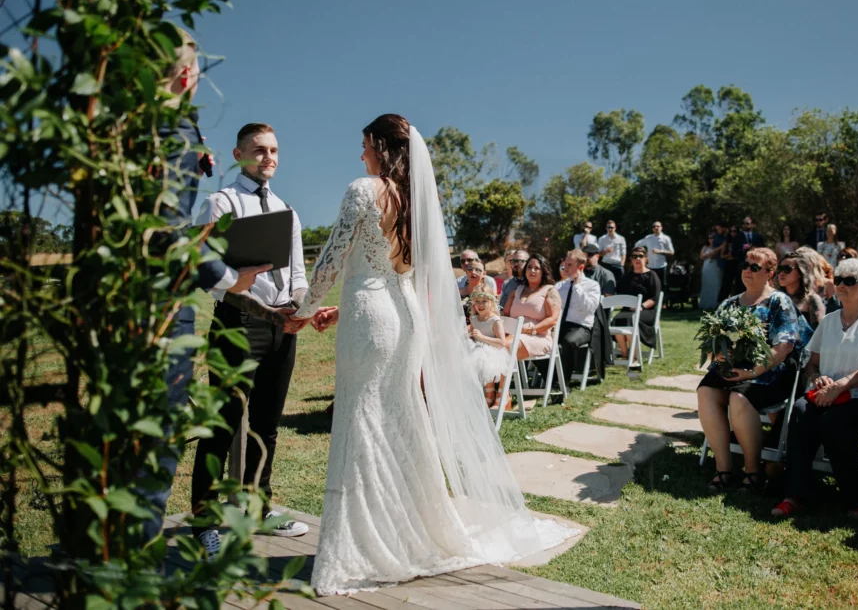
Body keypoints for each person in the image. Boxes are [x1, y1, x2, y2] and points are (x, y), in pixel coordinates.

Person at [289, 114, 575, 595]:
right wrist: (347, 307)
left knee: (363, 421)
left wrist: (302, 311)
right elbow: (399, 274)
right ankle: (408, 530)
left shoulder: (365, 189)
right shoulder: (418, 202)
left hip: (371, 315)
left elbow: (332, 259)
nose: (361, 155)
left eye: (364, 145)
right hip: (403, 318)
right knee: (400, 420)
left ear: (381, 146)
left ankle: (363, 544)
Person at [139, 29, 268, 544]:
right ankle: (138, 569)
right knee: (157, 444)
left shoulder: (129, 130)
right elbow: (167, 233)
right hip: (165, 308)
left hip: (124, 304)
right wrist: (227, 277)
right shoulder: (173, 133)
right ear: (188, 74)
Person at [190, 123, 311, 553]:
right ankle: (204, 523)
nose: (269, 158)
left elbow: (298, 274)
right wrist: (233, 281)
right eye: (259, 150)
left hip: (283, 329)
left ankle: (258, 509)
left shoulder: (287, 210)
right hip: (237, 326)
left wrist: (300, 304)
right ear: (239, 154)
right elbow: (202, 265)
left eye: (274, 150)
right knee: (221, 427)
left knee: (266, 426)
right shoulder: (220, 202)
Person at [771, 258, 858, 519]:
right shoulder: (829, 320)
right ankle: (796, 494)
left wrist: (842, 385)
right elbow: (811, 362)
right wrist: (817, 377)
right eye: (838, 280)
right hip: (827, 393)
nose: (840, 285)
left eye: (849, 281)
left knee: (835, 422)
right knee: (800, 411)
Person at [697, 248, 810, 492]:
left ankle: (753, 472)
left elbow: (785, 346)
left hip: (770, 370)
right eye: (746, 265)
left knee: (739, 397)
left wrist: (753, 372)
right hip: (734, 366)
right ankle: (724, 469)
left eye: (755, 267)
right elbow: (712, 340)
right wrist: (715, 353)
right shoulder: (730, 303)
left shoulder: (778, 301)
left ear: (770, 273)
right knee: (705, 390)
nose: (747, 270)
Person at [553, 250, 602, 384]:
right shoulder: (559, 286)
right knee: (538, 340)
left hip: (581, 327)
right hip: (560, 325)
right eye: (565, 264)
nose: (565, 268)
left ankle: (563, 382)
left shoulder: (592, 285)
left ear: (580, 267)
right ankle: (548, 377)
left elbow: (589, 308)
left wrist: (578, 286)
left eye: (569, 265)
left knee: (568, 342)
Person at [503, 253, 562, 361]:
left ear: (543, 271)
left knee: (502, 347)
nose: (532, 271)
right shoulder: (516, 290)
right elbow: (505, 314)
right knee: (488, 346)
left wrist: (530, 330)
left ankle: (497, 378)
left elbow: (553, 319)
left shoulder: (549, 291)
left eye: (536, 268)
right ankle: (494, 378)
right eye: (529, 267)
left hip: (537, 337)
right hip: (513, 334)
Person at [613, 246, 662, 363]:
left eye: (640, 256)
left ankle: (634, 356)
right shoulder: (627, 277)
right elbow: (620, 293)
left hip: (646, 310)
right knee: (617, 320)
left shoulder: (652, 275)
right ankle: (625, 353)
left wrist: (641, 307)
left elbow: (655, 298)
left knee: (630, 320)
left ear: (645, 258)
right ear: (631, 259)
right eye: (634, 256)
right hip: (627, 310)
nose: (637, 259)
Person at [466, 287, 512, 409]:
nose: (480, 305)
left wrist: (481, 337)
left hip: (496, 350)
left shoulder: (495, 320)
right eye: (477, 301)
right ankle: (488, 395)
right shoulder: (474, 319)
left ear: (491, 302)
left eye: (484, 301)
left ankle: (498, 396)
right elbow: (474, 334)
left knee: (485, 361)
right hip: (479, 349)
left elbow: (502, 342)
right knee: (474, 358)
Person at [776, 252, 826, 330]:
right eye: (779, 269)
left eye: (787, 269)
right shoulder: (775, 297)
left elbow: (819, 332)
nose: (781, 273)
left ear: (800, 272)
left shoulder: (811, 299)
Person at [635, 220, 674, 290]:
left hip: (661, 266)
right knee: (649, 285)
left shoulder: (666, 238)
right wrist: (642, 253)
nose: (656, 228)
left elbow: (672, 252)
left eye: (658, 226)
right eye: (654, 226)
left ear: (661, 227)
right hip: (650, 266)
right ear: (652, 229)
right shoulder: (648, 238)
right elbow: (637, 244)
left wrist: (660, 251)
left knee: (662, 286)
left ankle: (661, 300)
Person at [730, 216, 766, 295]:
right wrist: (744, 250)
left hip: (756, 266)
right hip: (742, 265)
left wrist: (754, 249)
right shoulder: (737, 237)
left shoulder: (758, 236)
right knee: (741, 286)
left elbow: (764, 250)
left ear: (752, 225)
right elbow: (733, 252)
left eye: (747, 223)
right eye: (743, 224)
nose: (745, 225)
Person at [699, 232, 724, 310]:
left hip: (716, 267)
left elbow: (718, 256)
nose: (711, 239)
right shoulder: (705, 247)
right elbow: (702, 256)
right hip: (707, 267)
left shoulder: (719, 247)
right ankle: (705, 304)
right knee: (706, 284)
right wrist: (710, 254)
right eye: (710, 238)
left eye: (713, 238)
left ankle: (715, 304)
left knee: (716, 284)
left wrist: (712, 254)